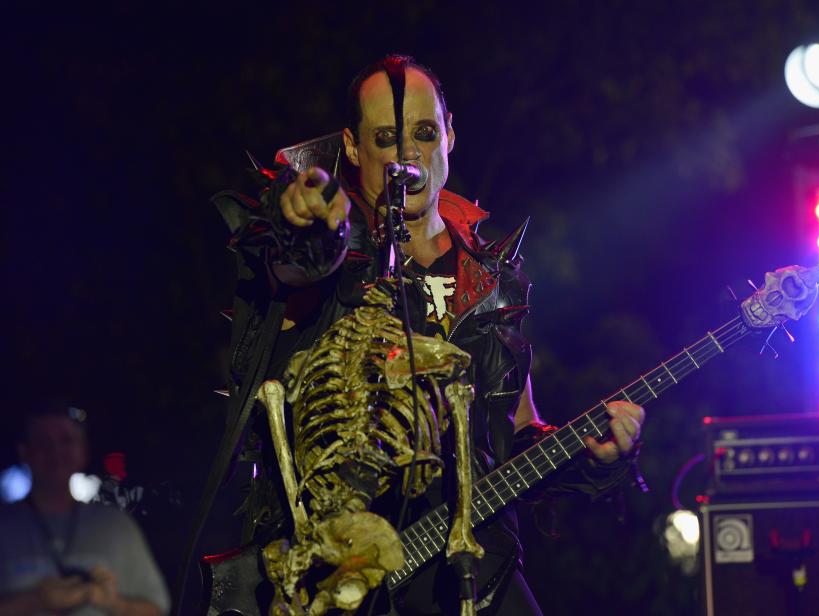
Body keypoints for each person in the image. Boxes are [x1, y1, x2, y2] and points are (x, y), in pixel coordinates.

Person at [209, 54, 645, 615]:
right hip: (331, 573)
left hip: (468, 561)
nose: (407, 153)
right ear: (352, 145)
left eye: (423, 132)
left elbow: (513, 432)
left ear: (449, 137)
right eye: (386, 137)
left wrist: (590, 455)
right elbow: (292, 263)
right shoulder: (332, 255)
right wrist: (302, 223)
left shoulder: (490, 282)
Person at [0, 408, 171, 615]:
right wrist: (35, 601)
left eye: (66, 440)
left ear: (83, 451)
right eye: (43, 442)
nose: (54, 451)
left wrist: (114, 604)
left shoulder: (116, 525)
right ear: (24, 452)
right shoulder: (6, 524)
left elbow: (156, 609)